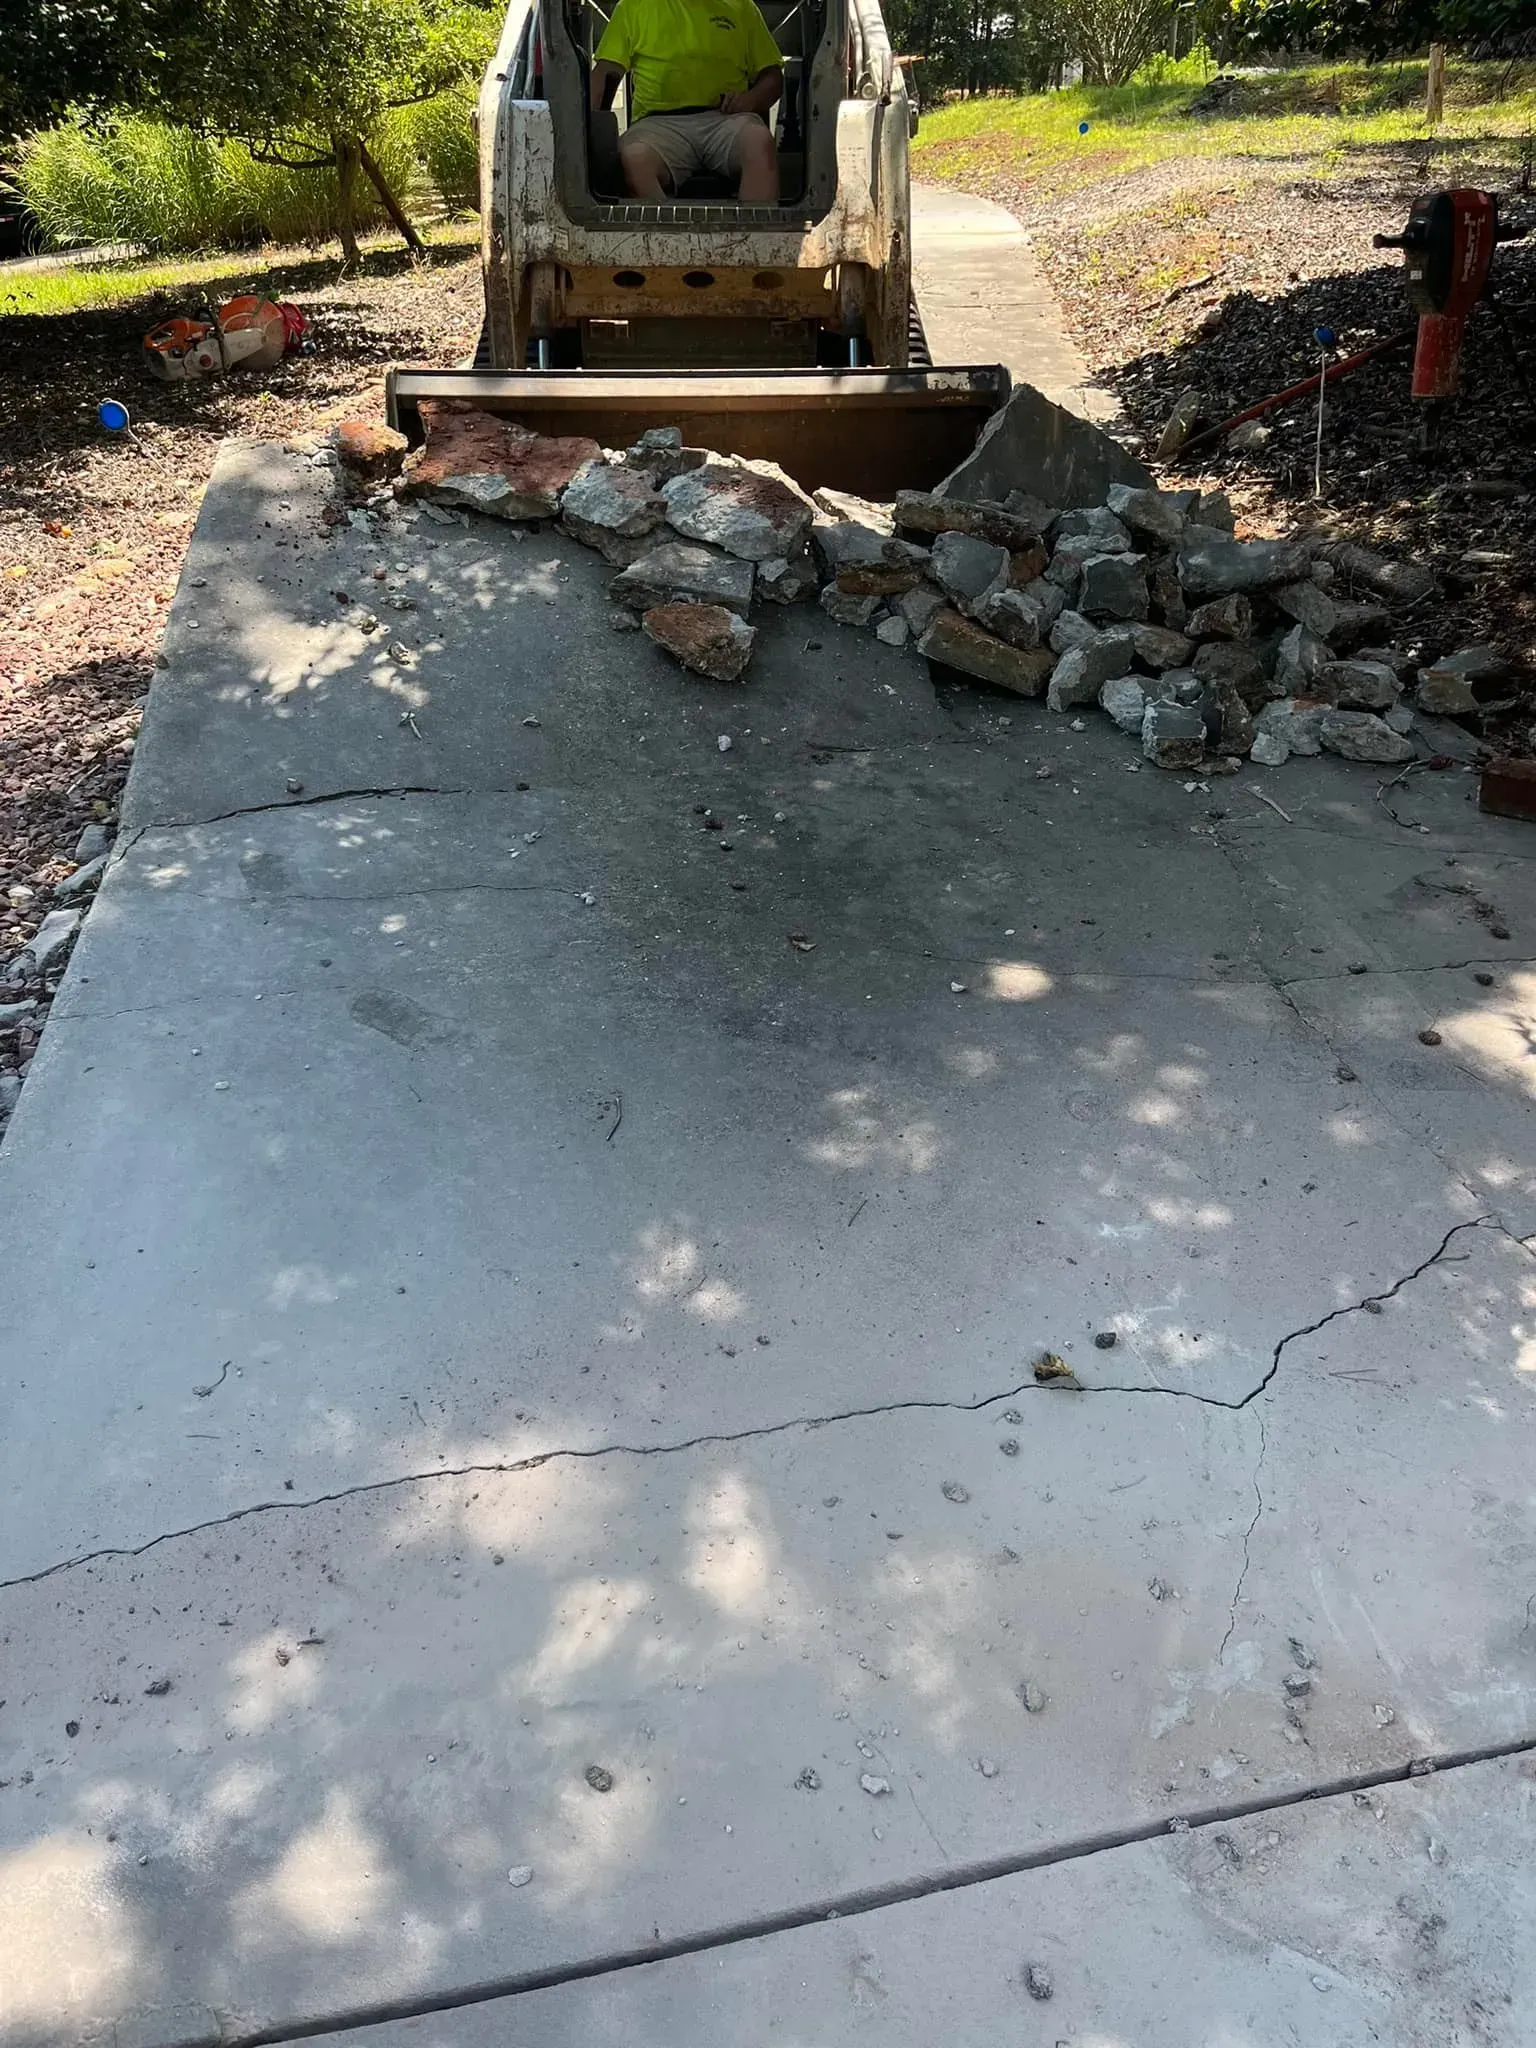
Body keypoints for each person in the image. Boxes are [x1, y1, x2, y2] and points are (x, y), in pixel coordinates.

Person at [590, 0, 783, 204]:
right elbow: (604, 73)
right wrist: (585, 133)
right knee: (634, 159)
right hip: (656, 125)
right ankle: (662, 225)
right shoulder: (632, 6)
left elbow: (773, 77)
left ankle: (754, 225)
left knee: (759, 143)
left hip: (727, 120)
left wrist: (750, 100)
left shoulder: (743, 7)